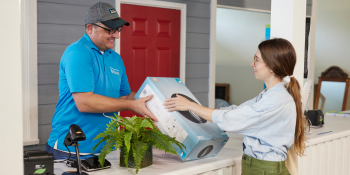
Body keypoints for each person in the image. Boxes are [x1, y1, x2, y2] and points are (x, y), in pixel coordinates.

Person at [164, 38, 307, 175]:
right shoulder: (269, 94)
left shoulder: (276, 100)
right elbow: (235, 110)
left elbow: (232, 119)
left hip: (264, 169)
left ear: (272, 66)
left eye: (257, 59)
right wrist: (198, 110)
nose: (252, 63)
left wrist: (191, 106)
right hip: (259, 166)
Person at [47, 2, 157, 160]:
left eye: (118, 29)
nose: (116, 35)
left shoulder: (115, 59)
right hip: (72, 149)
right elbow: (84, 102)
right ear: (90, 28)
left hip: (107, 149)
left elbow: (124, 96)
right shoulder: (77, 52)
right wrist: (132, 106)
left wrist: (155, 101)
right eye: (110, 30)